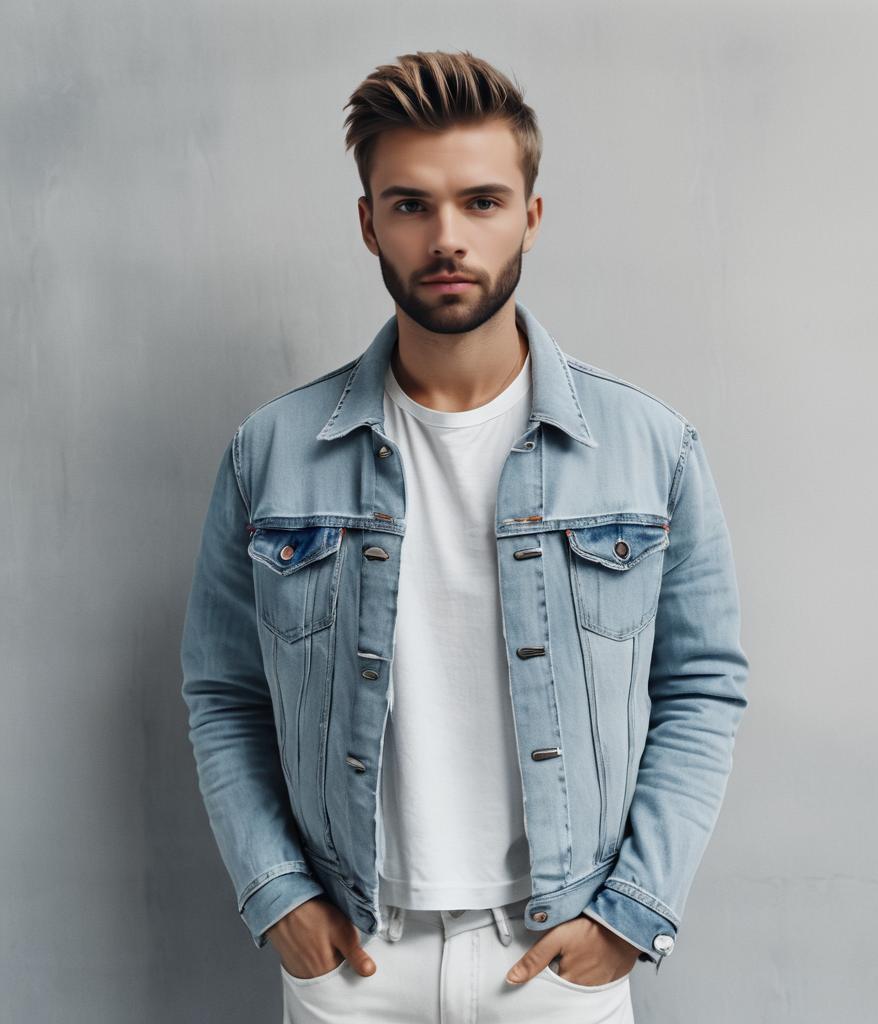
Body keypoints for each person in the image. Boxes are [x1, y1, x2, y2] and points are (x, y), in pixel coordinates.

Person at [180, 49, 750, 1023]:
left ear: (531, 214)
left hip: (553, 954)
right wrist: (277, 892)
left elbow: (702, 687)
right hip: (354, 957)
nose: (447, 237)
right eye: (410, 205)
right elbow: (223, 692)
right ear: (368, 223)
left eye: (480, 201)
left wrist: (630, 913)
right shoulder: (270, 453)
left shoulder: (648, 448)